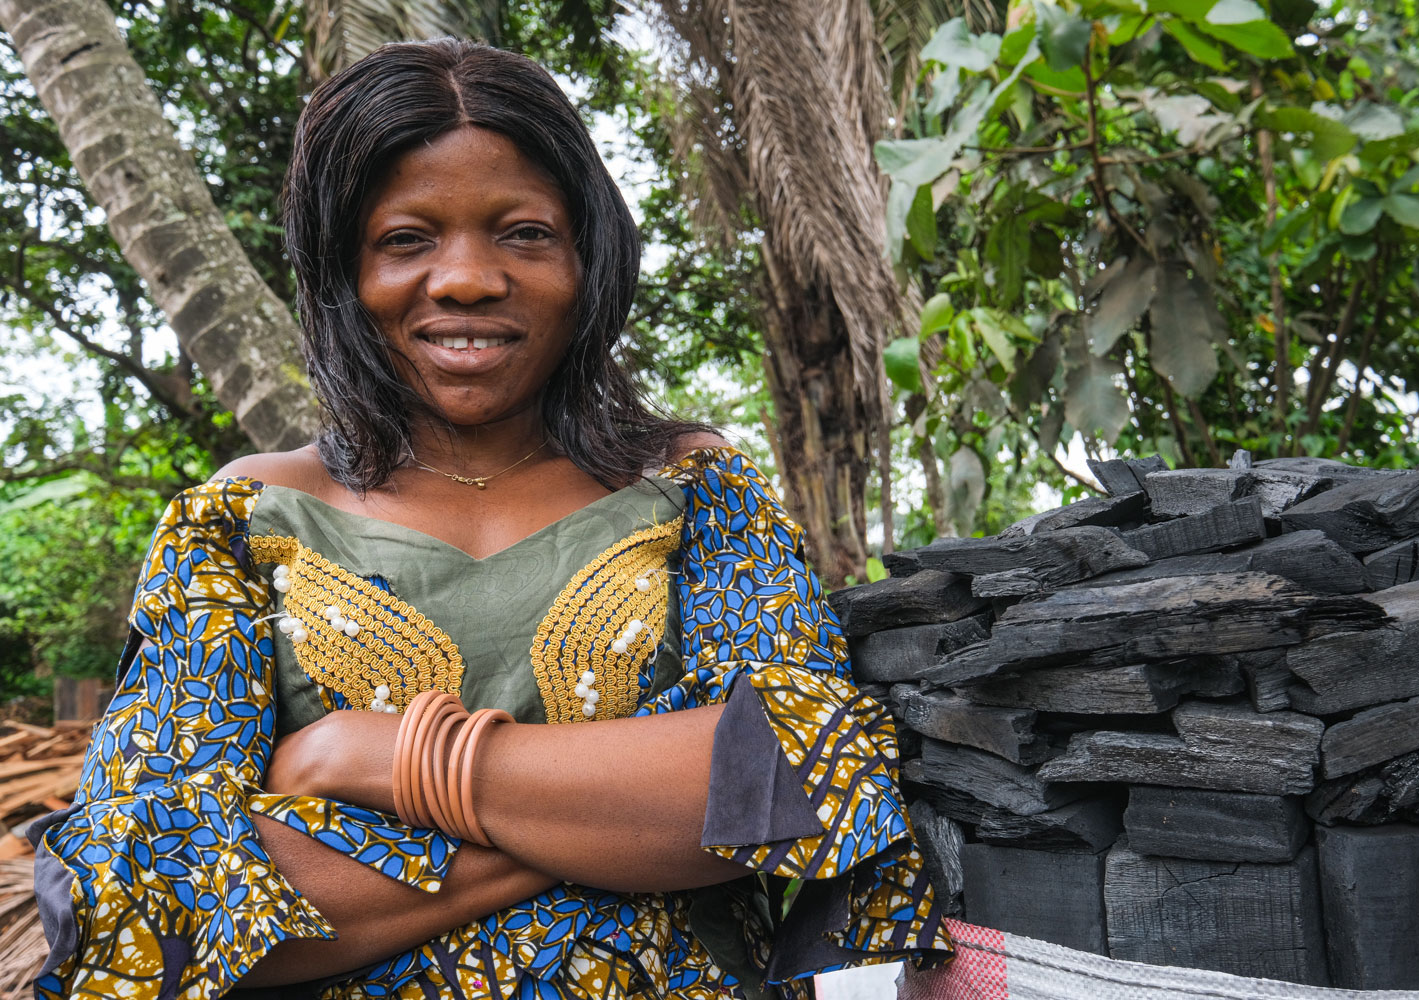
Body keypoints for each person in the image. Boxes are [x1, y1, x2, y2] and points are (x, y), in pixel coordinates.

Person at [28, 39, 949, 1000]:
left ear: (589, 258)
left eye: (523, 233)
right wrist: (632, 824)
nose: (466, 278)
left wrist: (379, 758)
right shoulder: (242, 521)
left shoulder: (695, 487)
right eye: (407, 239)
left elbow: (802, 777)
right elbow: (158, 902)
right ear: (344, 270)